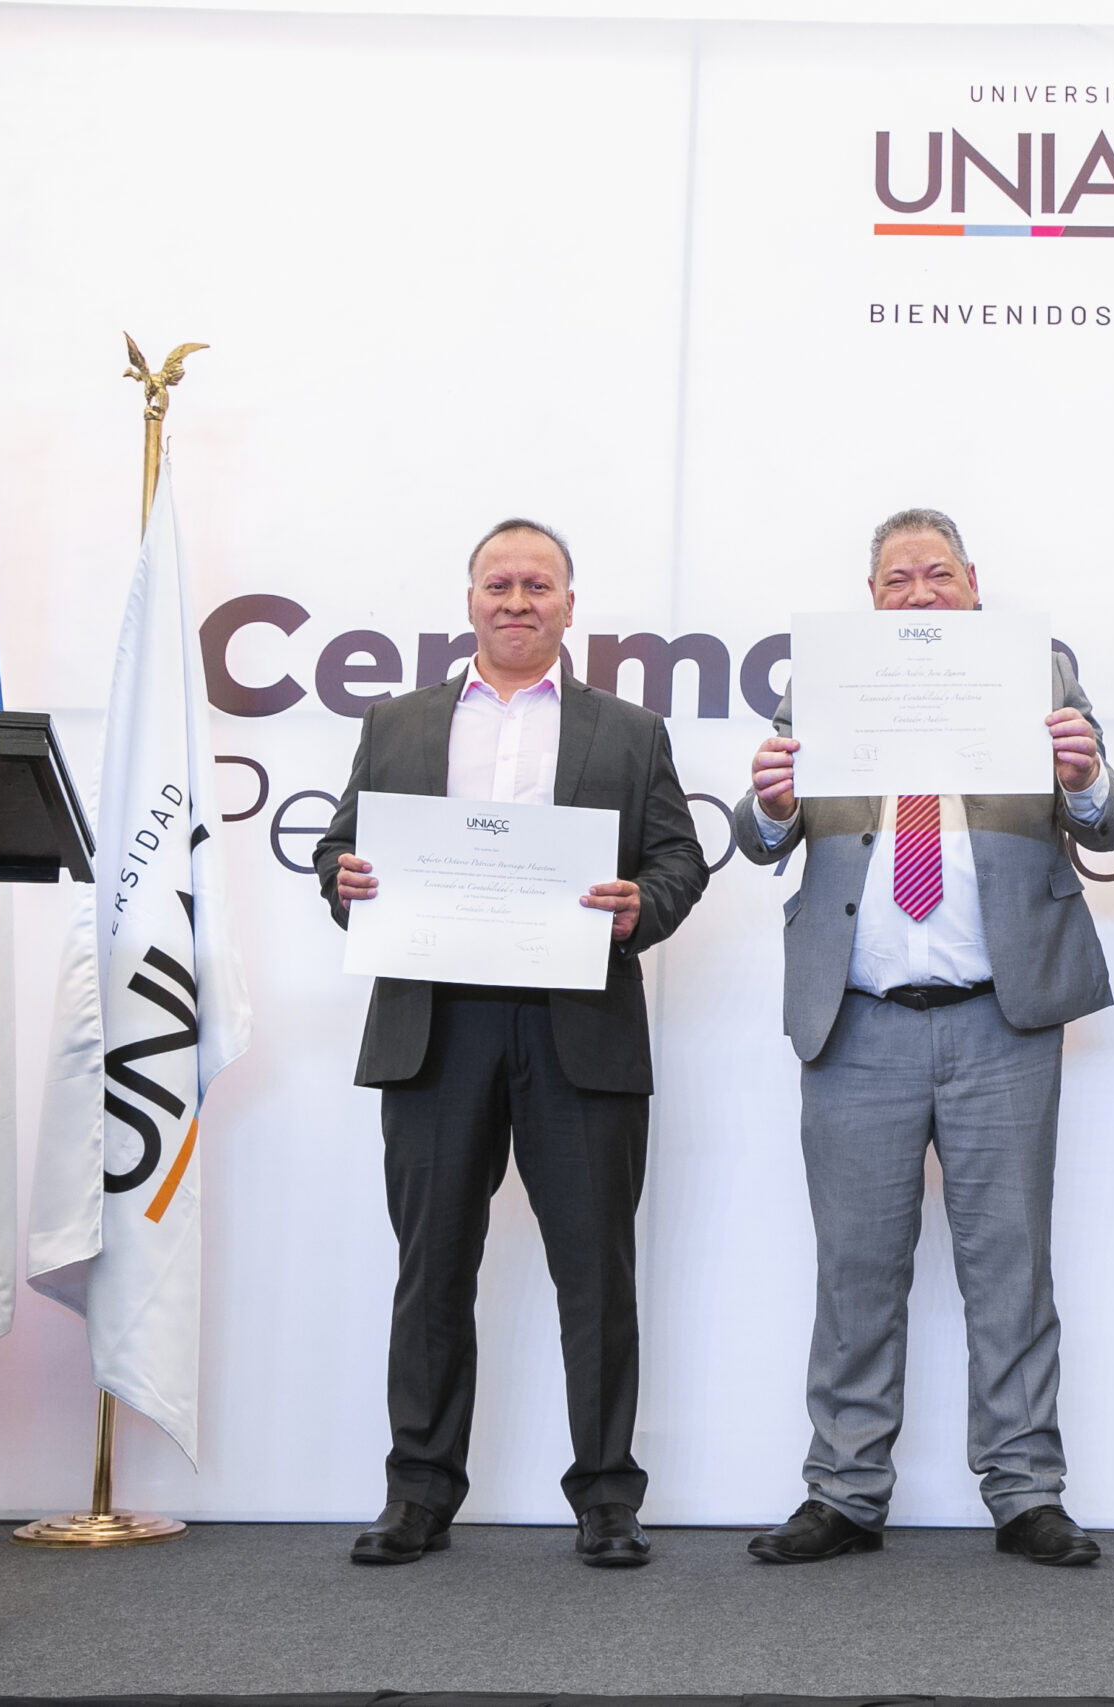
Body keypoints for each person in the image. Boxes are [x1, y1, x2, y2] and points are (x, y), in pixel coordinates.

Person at [730, 507, 1114, 1568]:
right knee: (855, 1271)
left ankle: (1026, 1492)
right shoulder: (822, 683)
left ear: (973, 582)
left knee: (1011, 1268)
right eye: (898, 578)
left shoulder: (1039, 671)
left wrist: (1085, 777)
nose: (919, 592)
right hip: (856, 1019)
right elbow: (759, 838)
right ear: (871, 599)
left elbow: (1109, 823)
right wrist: (770, 805)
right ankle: (844, 1492)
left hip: (1000, 1016)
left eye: (937, 574)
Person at [314, 518, 710, 1569]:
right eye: (499, 584)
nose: (518, 600)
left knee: (597, 1273)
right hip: (434, 1024)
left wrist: (644, 903)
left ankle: (608, 1498)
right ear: (470, 601)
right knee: (432, 1268)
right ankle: (418, 1492)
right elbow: (341, 848)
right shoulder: (396, 723)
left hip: (579, 1026)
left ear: (570, 605)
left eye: (539, 585)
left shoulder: (631, 733)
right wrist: (343, 878)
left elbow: (680, 860)